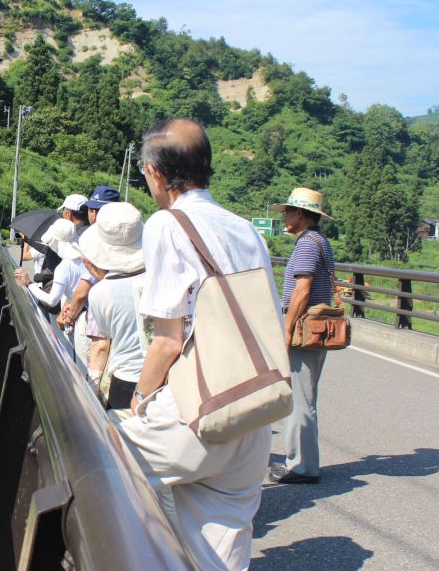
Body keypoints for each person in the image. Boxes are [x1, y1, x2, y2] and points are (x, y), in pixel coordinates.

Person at [118, 118, 280, 570]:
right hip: (254, 413)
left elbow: (167, 342)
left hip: (196, 413)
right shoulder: (246, 228)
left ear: (154, 173)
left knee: (100, 464)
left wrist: (141, 398)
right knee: (222, 547)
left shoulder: (168, 225)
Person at [268, 188, 336, 485]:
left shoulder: (307, 244)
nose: (284, 216)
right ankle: (303, 461)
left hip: (302, 326)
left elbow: (302, 290)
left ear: (302, 214)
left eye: (288, 211)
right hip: (314, 327)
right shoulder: (319, 241)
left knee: (300, 398)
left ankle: (302, 467)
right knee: (304, 396)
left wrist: (285, 329)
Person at [76, 202, 146, 410]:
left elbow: (104, 338)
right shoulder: (162, 277)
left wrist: (104, 280)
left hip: (126, 379)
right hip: (167, 378)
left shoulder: (100, 292)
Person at [58, 186, 122, 378]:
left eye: (97, 210)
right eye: (91, 209)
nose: (93, 215)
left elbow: (83, 289)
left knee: (85, 374)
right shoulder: (128, 239)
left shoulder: (94, 240)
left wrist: (69, 315)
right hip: (116, 317)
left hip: (91, 316)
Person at [15, 219, 84, 313]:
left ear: (55, 242)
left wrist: (28, 283)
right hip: (83, 310)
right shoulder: (84, 259)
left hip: (73, 315)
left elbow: (52, 301)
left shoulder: (64, 267)